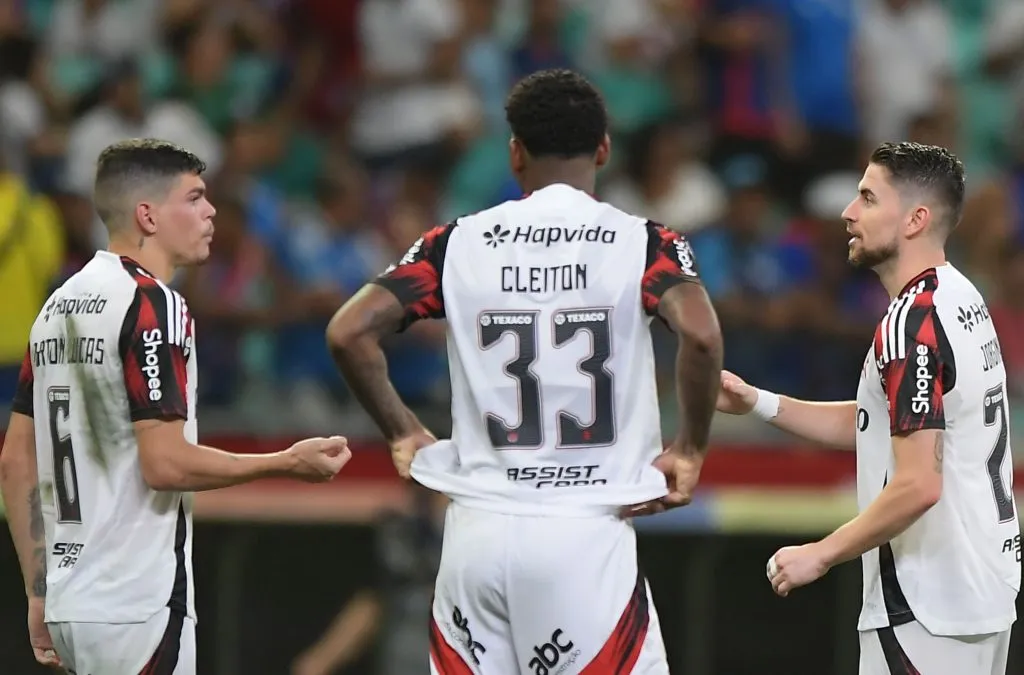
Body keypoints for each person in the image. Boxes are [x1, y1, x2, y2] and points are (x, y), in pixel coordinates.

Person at [327, 68, 723, 674]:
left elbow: (349, 331)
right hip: (584, 533)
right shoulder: (644, 242)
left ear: (515, 153)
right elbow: (699, 333)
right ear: (604, 149)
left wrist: (403, 432)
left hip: (476, 533)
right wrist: (690, 446)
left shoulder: (453, 243)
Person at [0, 138, 351, 674]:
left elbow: (14, 461)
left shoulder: (58, 306)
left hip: (73, 603)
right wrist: (284, 463)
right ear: (148, 215)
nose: (210, 211)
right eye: (194, 197)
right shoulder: (152, 304)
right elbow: (165, 464)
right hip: (133, 604)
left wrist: (39, 590)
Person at [717, 141, 1020, 674]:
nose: (848, 213)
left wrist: (822, 552)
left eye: (867, 198)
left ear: (915, 219)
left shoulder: (912, 324)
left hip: (927, 605)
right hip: (979, 592)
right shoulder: (960, 297)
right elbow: (881, 422)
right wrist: (760, 403)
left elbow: (918, 483)